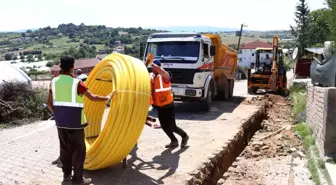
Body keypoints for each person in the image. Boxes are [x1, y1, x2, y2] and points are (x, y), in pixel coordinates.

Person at [47, 55, 116, 185]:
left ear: (61, 66)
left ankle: (66, 177)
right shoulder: (77, 83)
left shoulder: (53, 82)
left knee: (65, 150)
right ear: (72, 67)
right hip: (75, 124)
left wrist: (57, 115)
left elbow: (49, 103)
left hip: (61, 124)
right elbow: (93, 97)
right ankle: (78, 180)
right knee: (79, 152)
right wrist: (108, 97)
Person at [150, 59, 189, 148]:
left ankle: (184, 136)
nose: (152, 69)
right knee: (164, 126)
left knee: (172, 126)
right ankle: (174, 141)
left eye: (153, 67)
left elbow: (162, 71)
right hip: (160, 106)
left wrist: (152, 64)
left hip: (168, 105)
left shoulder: (165, 75)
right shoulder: (153, 77)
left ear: (157, 67)